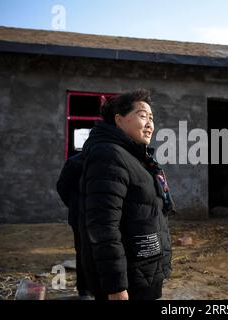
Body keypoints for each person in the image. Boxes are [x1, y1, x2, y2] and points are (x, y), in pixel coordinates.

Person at [79, 89, 175, 300]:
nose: (150, 123)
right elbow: (104, 227)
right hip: (128, 279)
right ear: (119, 120)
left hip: (143, 269)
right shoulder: (109, 155)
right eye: (142, 116)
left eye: (152, 118)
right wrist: (116, 287)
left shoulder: (136, 156)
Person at [56, 152, 92, 300]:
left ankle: (85, 291)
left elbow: (62, 187)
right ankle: (85, 290)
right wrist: (73, 204)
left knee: (83, 252)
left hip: (81, 215)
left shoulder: (75, 161)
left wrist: (73, 205)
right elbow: (62, 187)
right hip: (87, 215)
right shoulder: (76, 162)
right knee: (88, 252)